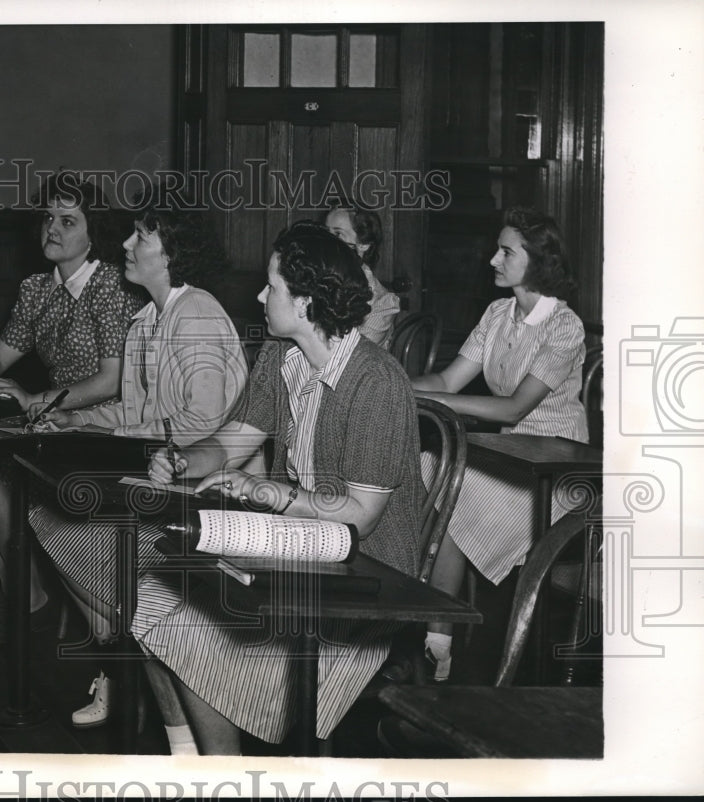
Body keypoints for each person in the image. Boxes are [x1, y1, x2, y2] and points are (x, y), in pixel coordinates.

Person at [131, 221, 425, 754]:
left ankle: (225, 771)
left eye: (273, 286)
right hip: (302, 548)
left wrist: (264, 493)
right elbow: (229, 446)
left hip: (372, 573)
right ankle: (190, 758)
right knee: (154, 594)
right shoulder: (280, 356)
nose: (261, 295)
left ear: (307, 302)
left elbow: (360, 518)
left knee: (195, 630)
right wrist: (181, 462)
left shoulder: (375, 380)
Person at [32, 200, 248, 738]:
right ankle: (117, 650)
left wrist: (116, 433)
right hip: (162, 479)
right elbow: (133, 409)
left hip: (213, 492)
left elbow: (206, 419)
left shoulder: (195, 313)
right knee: (49, 519)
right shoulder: (148, 317)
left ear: (172, 255)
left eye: (141, 239)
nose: (126, 246)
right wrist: (70, 418)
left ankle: (124, 660)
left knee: (87, 536)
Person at [0, 174, 143, 643]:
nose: (52, 228)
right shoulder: (37, 288)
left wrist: (35, 400)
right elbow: (0, 355)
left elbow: (113, 379)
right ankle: (23, 591)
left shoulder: (110, 284)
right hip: (54, 418)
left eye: (68, 221)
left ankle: (32, 603)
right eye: (48, 217)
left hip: (105, 424)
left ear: (96, 234)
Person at [411, 206, 588, 681]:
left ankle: (436, 647)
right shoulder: (497, 313)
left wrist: (443, 401)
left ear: (538, 261)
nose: (492, 259)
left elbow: (513, 409)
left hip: (556, 470)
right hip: (507, 454)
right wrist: (394, 383)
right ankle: (432, 638)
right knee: (427, 468)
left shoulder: (564, 327)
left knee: (453, 490)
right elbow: (449, 377)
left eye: (506, 251)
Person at [323, 203, 401, 346]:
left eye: (338, 234)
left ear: (363, 244)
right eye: (324, 232)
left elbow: (354, 356)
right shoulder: (315, 280)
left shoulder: (381, 303)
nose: (326, 241)